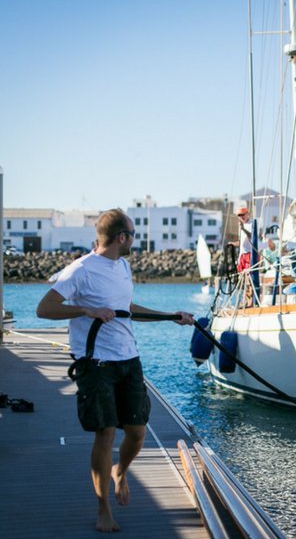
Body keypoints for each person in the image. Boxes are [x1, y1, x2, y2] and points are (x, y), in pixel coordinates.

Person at [36, 208, 193, 533]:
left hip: (129, 360)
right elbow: (44, 308)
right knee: (105, 433)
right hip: (95, 365)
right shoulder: (79, 271)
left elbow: (127, 309)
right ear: (122, 237)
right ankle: (103, 508)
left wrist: (169, 315)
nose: (134, 241)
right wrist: (87, 309)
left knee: (137, 431)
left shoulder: (122, 266)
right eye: (133, 235)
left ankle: (120, 470)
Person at [236, 206, 253, 272]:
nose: (241, 217)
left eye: (243, 214)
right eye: (239, 215)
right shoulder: (241, 225)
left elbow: (252, 236)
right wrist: (233, 244)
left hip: (249, 254)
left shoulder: (251, 224)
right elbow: (241, 241)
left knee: (249, 276)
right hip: (242, 255)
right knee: (241, 276)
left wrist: (243, 229)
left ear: (247, 214)